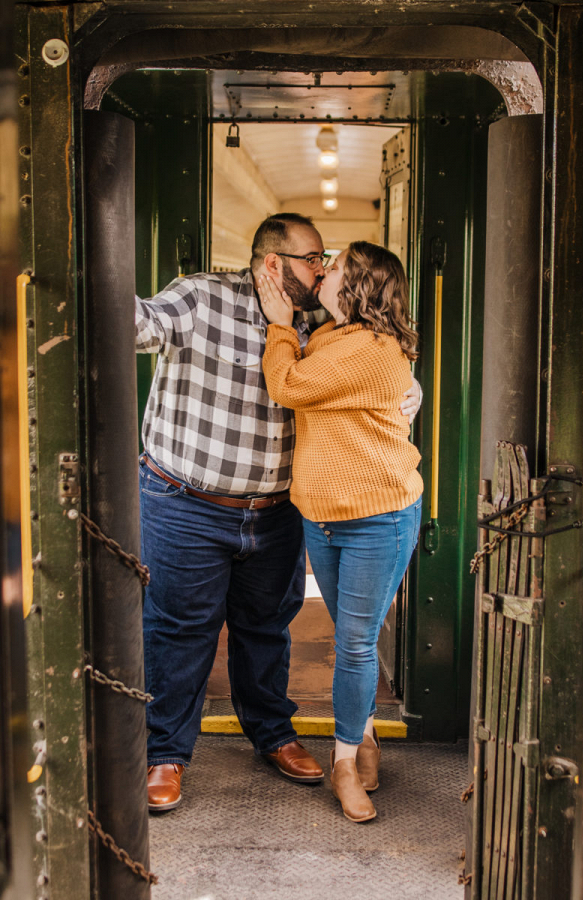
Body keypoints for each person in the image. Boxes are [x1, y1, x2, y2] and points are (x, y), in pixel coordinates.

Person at [135, 214, 422, 811]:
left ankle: (272, 734)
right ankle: (164, 753)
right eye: (313, 258)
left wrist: (408, 386)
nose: (321, 270)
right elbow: (143, 324)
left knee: (266, 628)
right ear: (274, 264)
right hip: (188, 502)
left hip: (278, 512)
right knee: (180, 629)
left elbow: (374, 352)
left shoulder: (318, 318)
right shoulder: (199, 295)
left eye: (327, 263)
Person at [259, 241, 423, 823]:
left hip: (378, 516)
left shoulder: (374, 349)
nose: (323, 271)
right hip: (322, 517)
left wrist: (280, 328)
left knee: (353, 645)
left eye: (335, 265)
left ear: (360, 284)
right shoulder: (331, 337)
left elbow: (290, 386)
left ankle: (344, 762)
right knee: (349, 635)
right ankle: (367, 736)